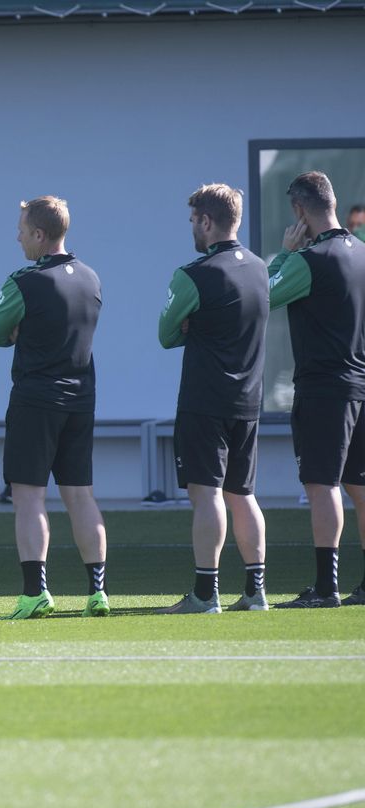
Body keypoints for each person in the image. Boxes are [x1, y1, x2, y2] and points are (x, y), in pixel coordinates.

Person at [0, 196, 108, 620]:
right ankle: (98, 592)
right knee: (81, 495)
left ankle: (36, 592)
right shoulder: (91, 278)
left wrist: (20, 331)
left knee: (29, 497)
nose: (17, 236)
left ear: (39, 234)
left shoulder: (25, 282)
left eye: (22, 229)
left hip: (36, 399)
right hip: (81, 398)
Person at [156, 184, 270, 614]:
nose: (192, 229)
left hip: (204, 400)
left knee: (207, 496)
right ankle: (256, 591)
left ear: (206, 221)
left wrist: (191, 325)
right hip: (249, 401)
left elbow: (166, 334)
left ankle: (206, 595)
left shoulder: (194, 274)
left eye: (192, 222)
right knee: (244, 495)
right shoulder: (261, 268)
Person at [267, 171, 365, 608]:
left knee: (321, 485)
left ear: (299, 211)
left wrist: (284, 255)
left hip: (326, 389)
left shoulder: (308, 260)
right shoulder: (361, 253)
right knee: (360, 487)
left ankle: (327, 588)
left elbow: (260, 296)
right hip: (361, 385)